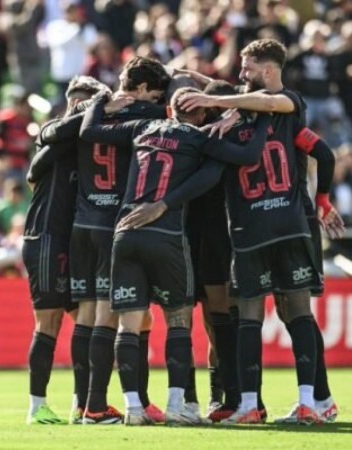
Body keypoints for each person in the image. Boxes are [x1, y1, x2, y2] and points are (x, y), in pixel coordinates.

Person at [80, 86, 270, 425]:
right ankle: (177, 405)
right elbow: (243, 159)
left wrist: (99, 101)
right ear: (198, 114)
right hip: (165, 234)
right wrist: (260, 118)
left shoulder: (142, 127)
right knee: (179, 319)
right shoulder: (198, 138)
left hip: (124, 233)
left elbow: (89, 130)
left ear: (169, 109)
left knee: (129, 323)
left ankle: (134, 408)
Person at [177, 38, 344, 425]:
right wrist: (204, 85)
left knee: (276, 313)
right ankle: (312, 400)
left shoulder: (276, 108)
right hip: (288, 222)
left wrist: (214, 105)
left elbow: (264, 100)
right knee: (293, 312)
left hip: (258, 228)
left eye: (247, 68)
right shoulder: (282, 123)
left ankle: (292, 401)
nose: (240, 76)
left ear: (268, 70)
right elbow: (323, 152)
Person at [69, 58, 170, 426]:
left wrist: (93, 103)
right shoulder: (146, 115)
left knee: (92, 316)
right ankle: (104, 405)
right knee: (129, 317)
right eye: (156, 91)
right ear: (142, 89)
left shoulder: (84, 115)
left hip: (83, 222)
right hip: (118, 224)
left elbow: (58, 133)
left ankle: (83, 403)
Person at [21, 75, 106, 425]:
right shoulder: (55, 137)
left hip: (74, 240)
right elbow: (39, 158)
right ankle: (37, 406)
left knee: (84, 318)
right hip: (46, 237)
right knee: (50, 322)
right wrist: (94, 106)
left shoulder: (89, 144)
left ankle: (81, 403)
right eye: (78, 101)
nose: (81, 106)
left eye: (87, 101)